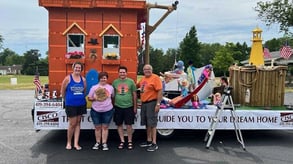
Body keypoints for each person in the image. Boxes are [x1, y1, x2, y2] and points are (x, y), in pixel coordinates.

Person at [60, 61, 87, 150]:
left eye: (79, 68)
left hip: (81, 104)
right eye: (76, 67)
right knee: (72, 123)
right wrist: (66, 100)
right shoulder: (68, 78)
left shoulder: (83, 79)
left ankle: (76, 143)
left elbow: (84, 91)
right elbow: (63, 91)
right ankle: (68, 142)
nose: (78, 69)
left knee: (78, 123)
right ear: (73, 68)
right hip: (71, 105)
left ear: (81, 69)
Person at [137, 64, 162, 152]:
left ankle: (154, 143)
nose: (147, 71)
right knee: (147, 123)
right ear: (143, 71)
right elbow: (137, 86)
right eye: (145, 69)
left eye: (148, 69)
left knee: (152, 123)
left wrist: (158, 104)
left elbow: (159, 91)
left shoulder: (155, 78)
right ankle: (148, 140)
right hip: (144, 103)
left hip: (152, 103)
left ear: (152, 70)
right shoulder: (143, 79)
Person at [88, 72, 114, 151]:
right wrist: (95, 98)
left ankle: (104, 143)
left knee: (105, 127)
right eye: (102, 78)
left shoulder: (110, 88)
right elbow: (89, 98)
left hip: (108, 110)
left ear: (107, 79)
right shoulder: (94, 87)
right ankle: (98, 142)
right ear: (99, 78)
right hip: (96, 110)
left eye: (105, 78)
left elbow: (112, 97)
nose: (103, 79)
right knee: (97, 127)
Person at [112, 66, 137, 150]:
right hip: (118, 106)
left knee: (129, 125)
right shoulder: (115, 82)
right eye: (121, 72)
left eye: (124, 72)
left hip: (129, 106)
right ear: (118, 73)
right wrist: (113, 105)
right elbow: (113, 95)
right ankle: (122, 141)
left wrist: (135, 107)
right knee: (119, 124)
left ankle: (129, 141)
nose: (122, 74)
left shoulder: (131, 82)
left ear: (126, 73)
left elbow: (134, 94)